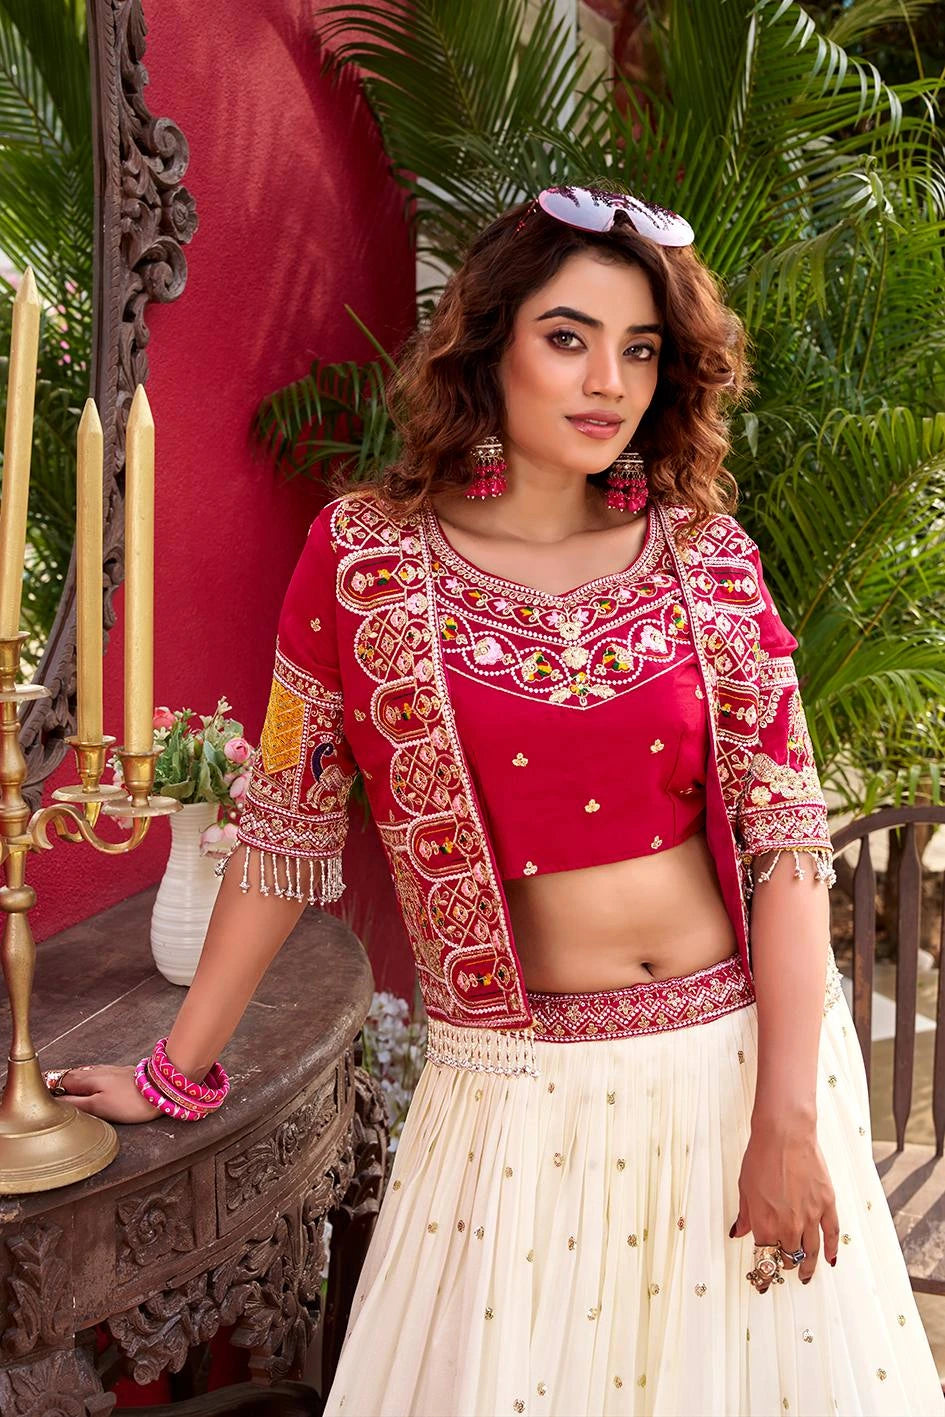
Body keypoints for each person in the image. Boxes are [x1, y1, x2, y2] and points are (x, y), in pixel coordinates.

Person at [56, 187, 944, 1416]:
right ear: (490, 343)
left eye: (640, 349)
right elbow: (280, 831)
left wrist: (786, 1119)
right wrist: (175, 1069)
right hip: (515, 1095)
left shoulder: (710, 559)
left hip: (733, 1072)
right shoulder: (364, 562)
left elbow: (789, 848)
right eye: (569, 336)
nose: (608, 381)